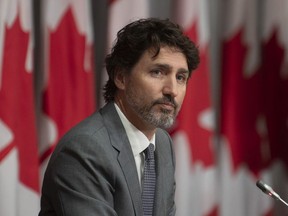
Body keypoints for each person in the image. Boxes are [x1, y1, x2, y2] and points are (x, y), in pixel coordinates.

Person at [39, 17, 199, 216]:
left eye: (180, 77)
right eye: (158, 72)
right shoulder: (85, 150)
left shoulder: (163, 144)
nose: (172, 90)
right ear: (121, 78)